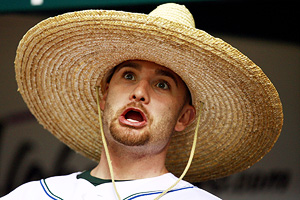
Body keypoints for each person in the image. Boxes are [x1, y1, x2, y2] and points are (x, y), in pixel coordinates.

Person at [1, 3, 283, 200]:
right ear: (104, 94)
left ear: (184, 117)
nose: (139, 92)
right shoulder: (30, 196)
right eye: (128, 75)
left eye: (162, 84)